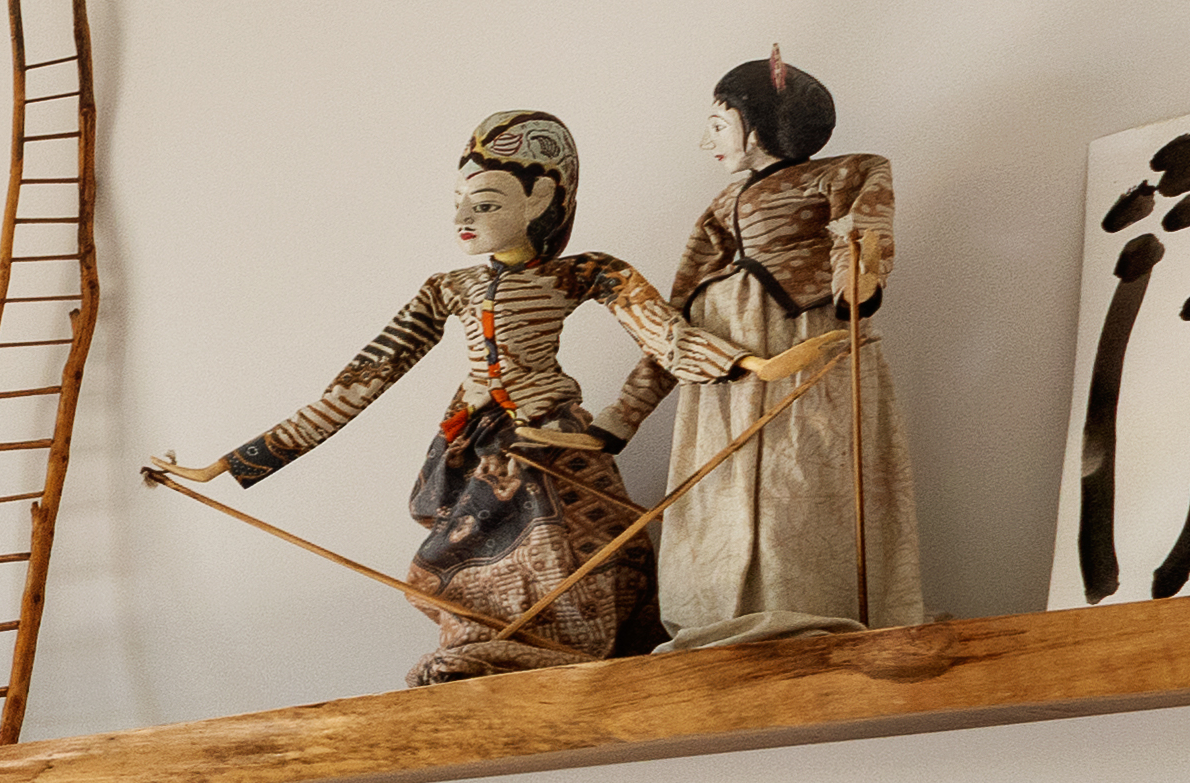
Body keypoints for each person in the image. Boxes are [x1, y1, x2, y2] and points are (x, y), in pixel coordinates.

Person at [148, 109, 750, 684]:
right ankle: (496, 651)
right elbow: (360, 381)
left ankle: (570, 655)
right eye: (458, 201)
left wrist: (736, 366)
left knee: (577, 553)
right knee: (458, 559)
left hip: (555, 440)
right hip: (469, 446)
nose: (462, 215)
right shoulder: (447, 288)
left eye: (483, 203)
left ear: (540, 198)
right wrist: (231, 463)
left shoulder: (587, 271)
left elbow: (664, 336)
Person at [609, 56, 920, 644]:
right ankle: (716, 618)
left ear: (758, 125)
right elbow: (674, 312)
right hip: (725, 362)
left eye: (718, 125)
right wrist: (622, 415)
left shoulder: (849, 169)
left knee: (797, 479)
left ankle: (806, 610)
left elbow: (859, 233)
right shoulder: (720, 205)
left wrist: (856, 282)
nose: (707, 142)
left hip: (808, 340)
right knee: (718, 487)